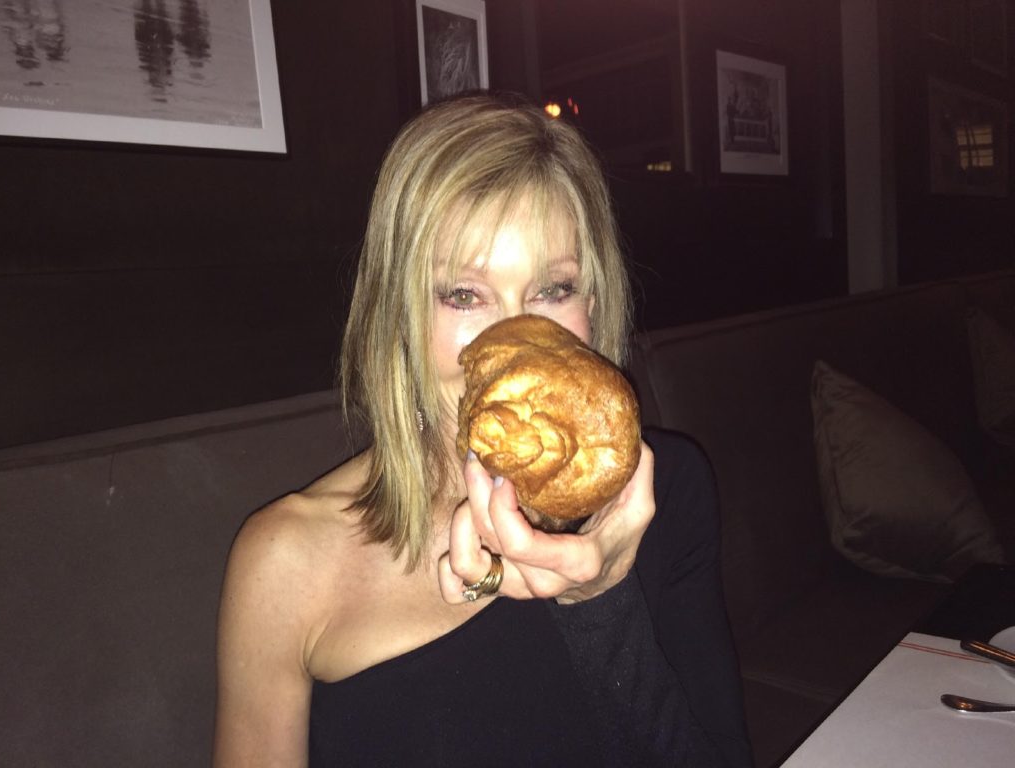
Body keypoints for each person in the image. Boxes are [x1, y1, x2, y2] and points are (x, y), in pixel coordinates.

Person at [213, 93, 752, 767]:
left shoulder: (665, 491)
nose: (517, 343)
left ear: (592, 304)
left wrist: (600, 601)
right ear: (399, 315)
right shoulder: (283, 565)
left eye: (552, 290)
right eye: (464, 295)